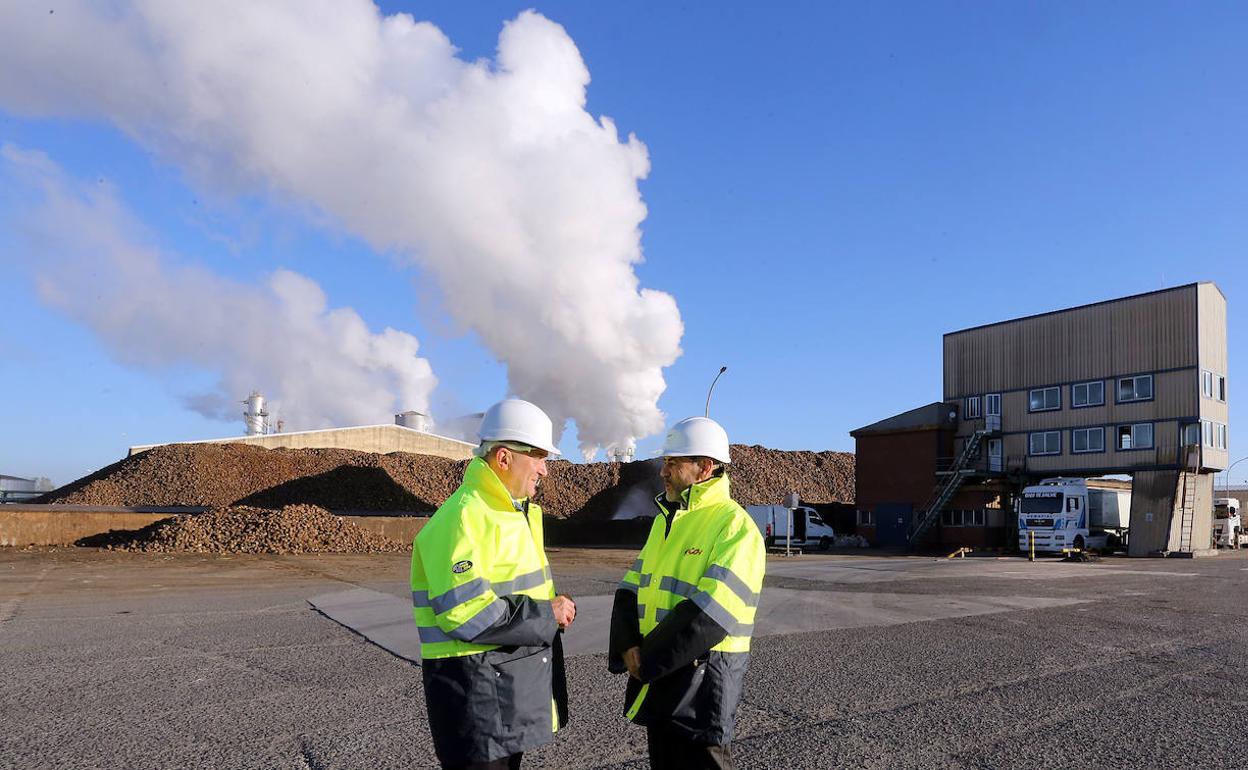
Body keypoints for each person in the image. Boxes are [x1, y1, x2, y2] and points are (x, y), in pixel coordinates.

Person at [411, 398, 577, 770]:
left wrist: (549, 607)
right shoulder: (465, 516)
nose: (545, 470)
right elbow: (463, 611)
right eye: (538, 457)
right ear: (504, 458)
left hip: (498, 697)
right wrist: (546, 614)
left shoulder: (510, 514)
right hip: (475, 699)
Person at [608, 416, 766, 770]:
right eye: (665, 462)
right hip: (662, 671)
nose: (663, 471)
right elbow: (629, 588)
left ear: (705, 467)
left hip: (703, 680)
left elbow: (713, 612)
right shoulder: (668, 521)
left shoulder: (734, 526)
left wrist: (646, 659)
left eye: (673, 463)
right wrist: (627, 644)